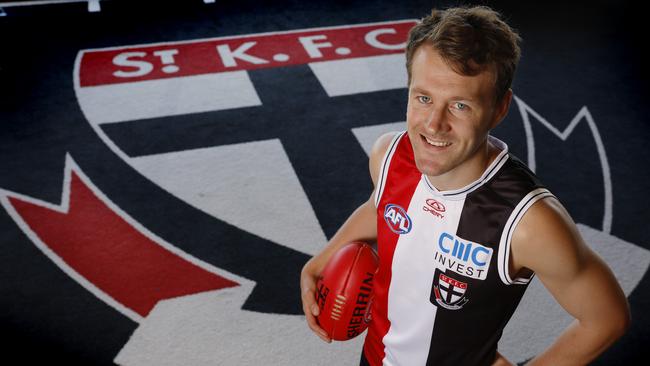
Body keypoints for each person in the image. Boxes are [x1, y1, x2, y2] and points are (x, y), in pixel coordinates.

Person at [300, 5, 630, 366]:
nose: (434, 124)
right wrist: (325, 256)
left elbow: (605, 319)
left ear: (500, 108)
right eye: (423, 98)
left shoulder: (528, 223)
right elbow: (382, 207)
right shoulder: (389, 156)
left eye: (459, 105)